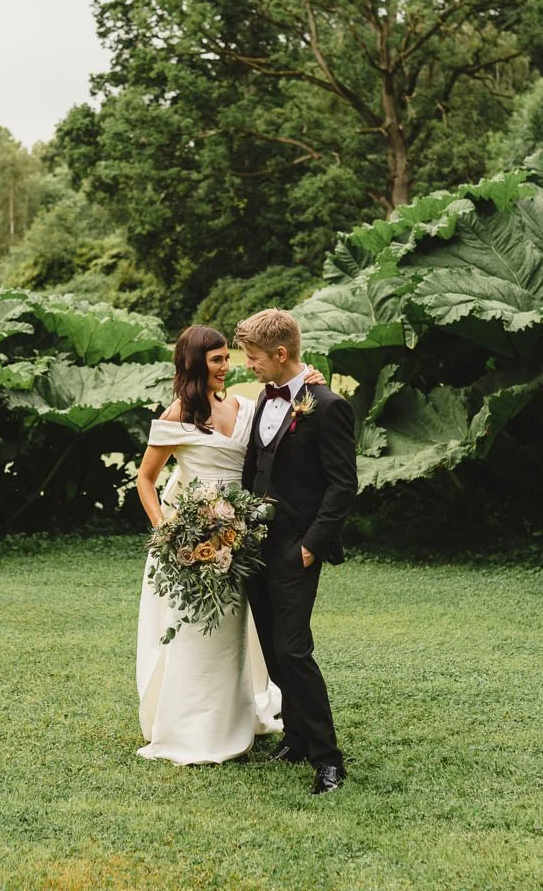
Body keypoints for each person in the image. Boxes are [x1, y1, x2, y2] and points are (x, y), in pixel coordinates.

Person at [134, 324, 322, 764]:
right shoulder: (175, 416)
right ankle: (191, 728)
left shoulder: (243, 405)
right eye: (217, 359)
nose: (226, 366)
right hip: (192, 540)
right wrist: (167, 532)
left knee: (236, 631)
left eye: (227, 358)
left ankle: (235, 717)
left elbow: (285, 421)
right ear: (195, 363)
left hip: (239, 539)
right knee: (196, 631)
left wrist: (308, 383)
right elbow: (145, 479)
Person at [235, 308, 357, 795]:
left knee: (293, 649)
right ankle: (299, 737)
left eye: (254, 357)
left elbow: (343, 486)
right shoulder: (265, 400)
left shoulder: (327, 406)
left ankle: (329, 760)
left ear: (280, 354)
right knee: (270, 645)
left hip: (295, 547)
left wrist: (311, 545)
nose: (249, 365)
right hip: (254, 546)